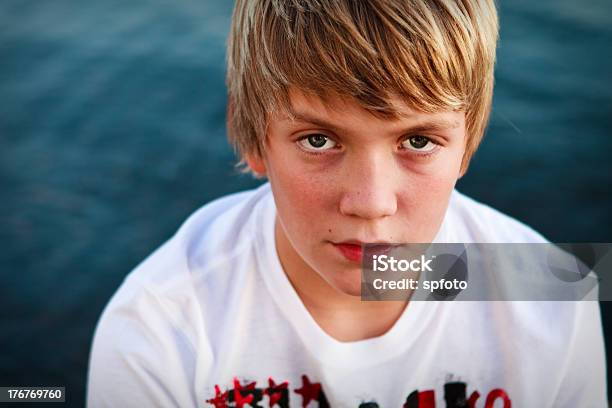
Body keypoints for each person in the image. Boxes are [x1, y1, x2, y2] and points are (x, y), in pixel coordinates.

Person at [86, 0, 607, 406]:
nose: (371, 204)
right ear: (252, 137)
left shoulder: (546, 290)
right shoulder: (162, 325)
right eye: (318, 140)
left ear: (467, 144)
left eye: (419, 141)